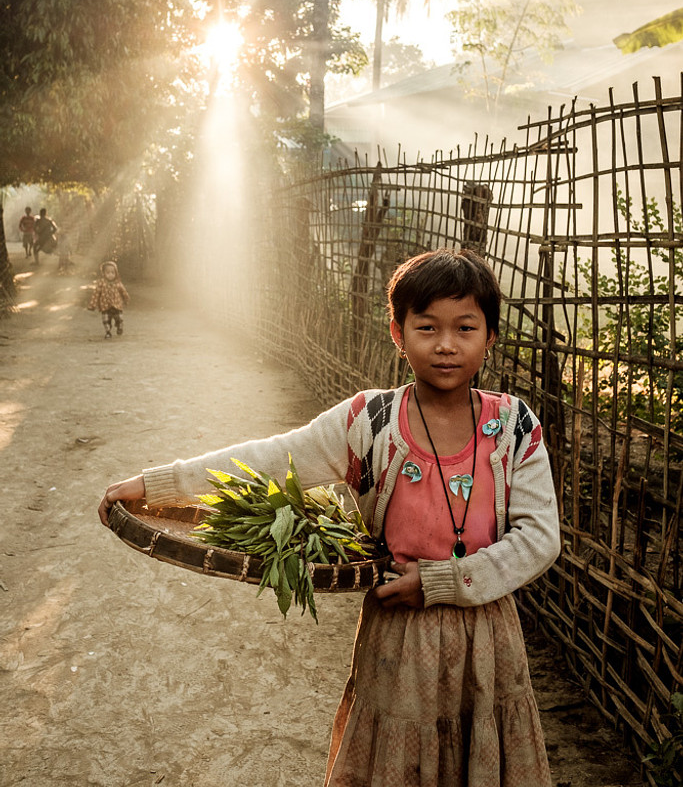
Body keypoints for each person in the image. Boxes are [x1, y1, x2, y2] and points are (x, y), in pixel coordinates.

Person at [98, 249, 560, 786]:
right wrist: (158, 484)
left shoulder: (512, 427)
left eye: (465, 327)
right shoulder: (371, 422)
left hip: (487, 641)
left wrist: (441, 583)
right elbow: (269, 458)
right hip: (399, 640)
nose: (446, 344)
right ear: (398, 332)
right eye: (427, 326)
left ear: (491, 336)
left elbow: (539, 538)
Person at [87, 260, 130, 338]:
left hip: (117, 305)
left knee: (119, 318)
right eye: (108, 273)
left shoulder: (118, 283)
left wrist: (126, 299)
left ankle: (120, 327)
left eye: (113, 273)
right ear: (104, 274)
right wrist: (92, 305)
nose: (110, 275)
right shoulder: (101, 283)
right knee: (106, 320)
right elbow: (96, 294)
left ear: (116, 273)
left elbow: (124, 292)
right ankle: (108, 332)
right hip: (105, 305)